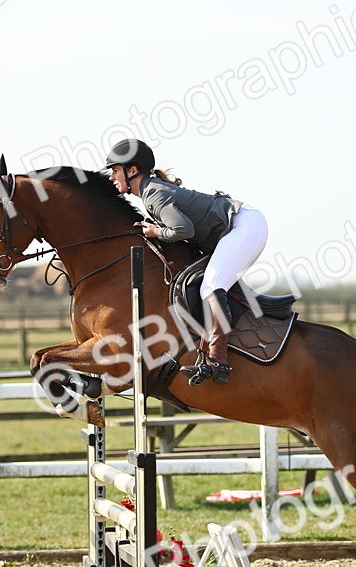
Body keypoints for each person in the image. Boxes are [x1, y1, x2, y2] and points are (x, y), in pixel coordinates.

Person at [105, 139, 268, 385]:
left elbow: (184, 229)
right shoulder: (151, 191)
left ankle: (217, 360)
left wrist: (155, 232)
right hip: (243, 226)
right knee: (211, 284)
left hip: (244, 226)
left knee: (211, 286)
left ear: (132, 170)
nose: (111, 176)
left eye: (115, 170)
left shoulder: (152, 194)